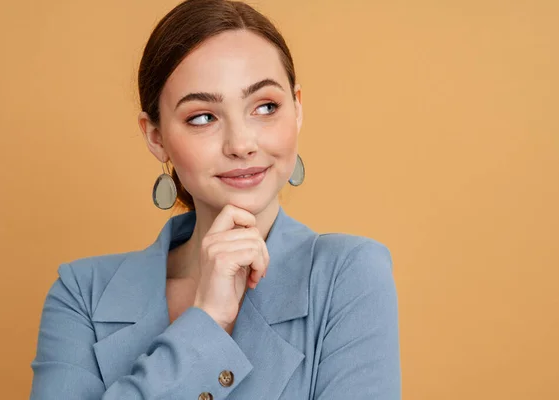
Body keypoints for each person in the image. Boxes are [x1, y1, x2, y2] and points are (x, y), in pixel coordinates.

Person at [29, 0, 401, 398]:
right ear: (155, 136)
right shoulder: (83, 295)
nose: (241, 144)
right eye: (202, 117)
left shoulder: (347, 276)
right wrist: (206, 321)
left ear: (297, 109)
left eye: (265, 106)